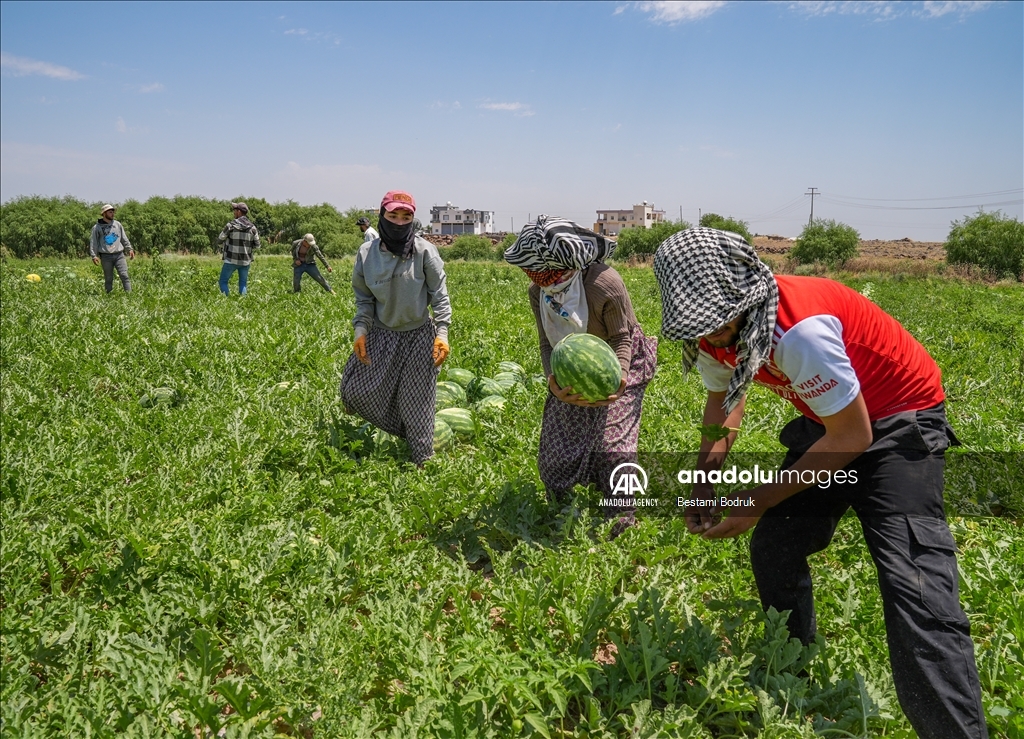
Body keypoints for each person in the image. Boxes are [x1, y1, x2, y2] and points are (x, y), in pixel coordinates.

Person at [653, 227, 987, 739]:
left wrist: (755, 500)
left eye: (721, 319)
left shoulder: (800, 332)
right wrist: (705, 479)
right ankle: (792, 673)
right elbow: (724, 399)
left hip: (899, 420)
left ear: (743, 291)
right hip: (831, 417)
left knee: (914, 587)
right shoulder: (709, 334)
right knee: (777, 544)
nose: (714, 333)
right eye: (702, 323)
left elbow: (854, 437)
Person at [504, 216, 657, 536]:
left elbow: (621, 338)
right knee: (557, 451)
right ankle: (563, 512)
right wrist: (553, 382)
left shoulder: (603, 283)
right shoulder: (539, 291)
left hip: (621, 363)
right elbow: (547, 342)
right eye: (531, 273)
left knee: (613, 449)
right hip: (569, 367)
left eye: (544, 272)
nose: (538, 279)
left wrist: (618, 381)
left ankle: (620, 523)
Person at [340, 191, 451, 467]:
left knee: (417, 402)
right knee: (353, 392)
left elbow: (440, 295)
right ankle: (405, 431)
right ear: (382, 215)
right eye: (393, 215)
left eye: (406, 217)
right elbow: (364, 299)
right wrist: (360, 331)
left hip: (418, 336)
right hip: (381, 332)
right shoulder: (367, 253)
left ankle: (423, 459)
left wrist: (442, 333)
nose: (399, 222)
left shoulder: (425, 251)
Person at [217, 202, 261, 295]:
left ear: (239, 212)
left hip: (231, 259)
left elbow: (220, 239)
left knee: (223, 282)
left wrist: (225, 244)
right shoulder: (252, 228)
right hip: (245, 261)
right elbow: (257, 245)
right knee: (243, 284)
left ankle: (228, 302)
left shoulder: (231, 225)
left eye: (235, 210)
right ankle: (243, 304)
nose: (234, 212)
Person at [89, 204, 135, 293]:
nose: (112, 214)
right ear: (104, 213)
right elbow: (94, 242)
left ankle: (130, 296)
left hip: (119, 255)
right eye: (110, 212)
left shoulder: (118, 224)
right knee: (108, 278)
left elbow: (123, 238)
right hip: (106, 257)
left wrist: (129, 249)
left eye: (113, 212)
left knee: (124, 275)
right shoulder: (97, 227)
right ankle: (108, 296)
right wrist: (94, 255)